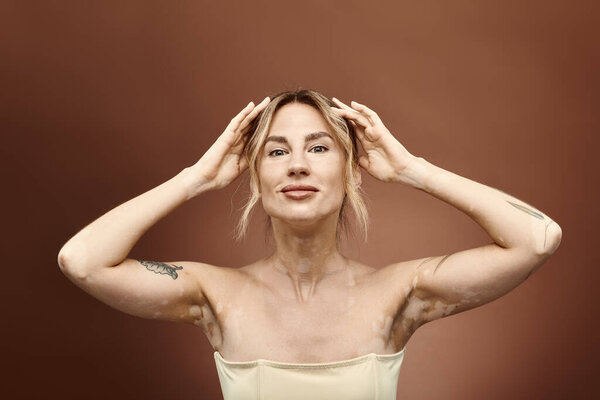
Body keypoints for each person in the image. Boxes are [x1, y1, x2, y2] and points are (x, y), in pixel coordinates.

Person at [57, 89, 562, 399]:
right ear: (256, 179)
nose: (297, 164)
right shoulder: (214, 294)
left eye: (319, 148)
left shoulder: (400, 292)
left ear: (351, 172)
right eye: (277, 151)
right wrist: (196, 177)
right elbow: (82, 261)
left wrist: (412, 170)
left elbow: (537, 239)